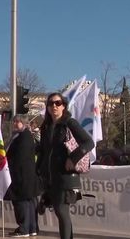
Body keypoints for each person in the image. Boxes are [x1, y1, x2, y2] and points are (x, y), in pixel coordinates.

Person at [36, 93, 94, 239]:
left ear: (64, 105)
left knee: (62, 211)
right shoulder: (46, 126)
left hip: (66, 176)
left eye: (58, 103)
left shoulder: (69, 123)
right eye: (50, 104)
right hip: (50, 177)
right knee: (59, 211)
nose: (54, 106)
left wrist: (73, 158)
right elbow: (44, 151)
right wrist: (38, 170)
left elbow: (88, 142)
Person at [5, 115, 40, 237]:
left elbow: (20, 156)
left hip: (21, 175)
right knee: (29, 201)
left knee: (22, 202)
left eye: (17, 122)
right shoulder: (22, 136)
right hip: (25, 175)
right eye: (14, 121)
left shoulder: (24, 136)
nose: (14, 124)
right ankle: (31, 228)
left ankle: (24, 228)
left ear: (24, 123)